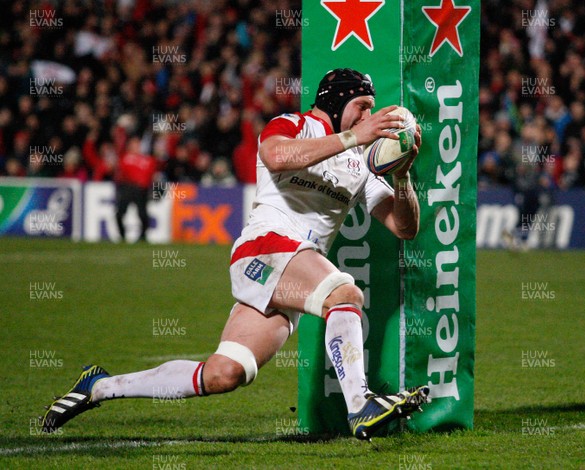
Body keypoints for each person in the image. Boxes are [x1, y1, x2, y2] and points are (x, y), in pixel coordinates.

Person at [41, 69, 429, 441]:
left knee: (226, 373)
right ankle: (360, 403)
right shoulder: (293, 124)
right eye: (361, 105)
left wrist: (402, 175)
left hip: (292, 269)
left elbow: (404, 227)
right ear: (335, 101)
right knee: (344, 294)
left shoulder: (359, 162)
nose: (368, 116)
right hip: (265, 246)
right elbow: (276, 157)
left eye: (370, 108)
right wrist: (354, 135)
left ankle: (100, 386)